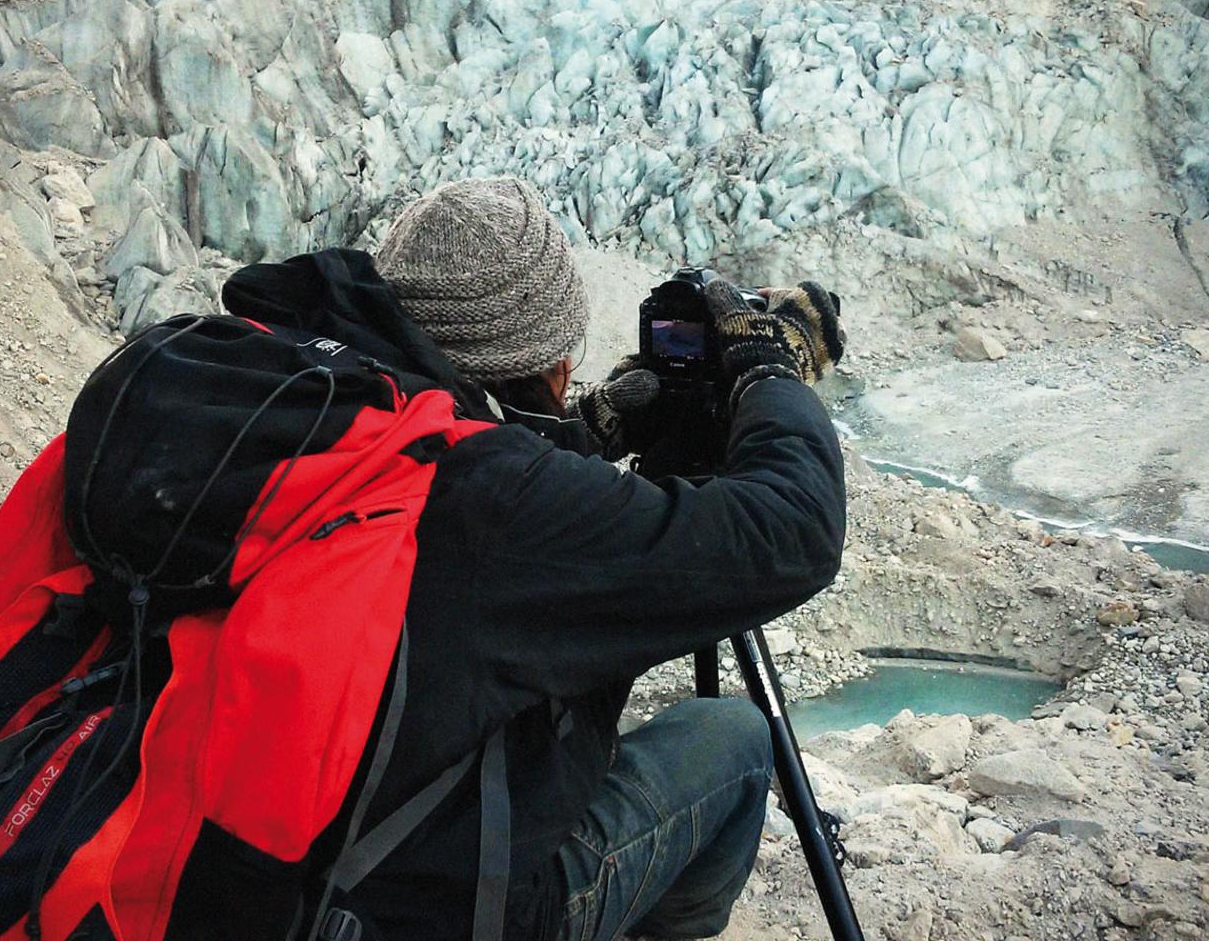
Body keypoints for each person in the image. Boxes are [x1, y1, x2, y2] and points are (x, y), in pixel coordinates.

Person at [217, 176, 847, 941]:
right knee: (736, 741)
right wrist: (768, 373)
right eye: (564, 359)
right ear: (543, 360)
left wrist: (589, 428)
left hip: (241, 866)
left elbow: (460, 447)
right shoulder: (501, 508)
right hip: (424, 912)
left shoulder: (315, 404)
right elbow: (795, 529)